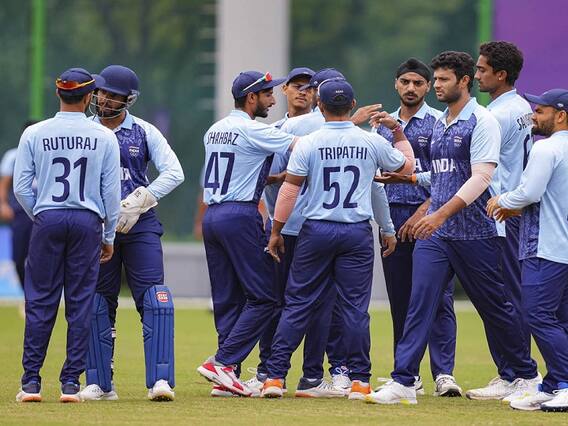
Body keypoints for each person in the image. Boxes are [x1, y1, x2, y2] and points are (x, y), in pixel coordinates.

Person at [366, 51, 538, 406]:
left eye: (443, 79)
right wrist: (412, 178)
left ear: (464, 81)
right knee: (420, 302)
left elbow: (481, 177)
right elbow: (445, 174)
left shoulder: (482, 121)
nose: (437, 86)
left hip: (475, 232)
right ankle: (404, 380)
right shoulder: (442, 121)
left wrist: (439, 214)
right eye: (437, 79)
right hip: (439, 236)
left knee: (495, 307)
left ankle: (525, 374)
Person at [261, 78, 415, 399]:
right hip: (356, 232)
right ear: (353, 104)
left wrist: (276, 231)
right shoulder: (370, 140)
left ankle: (274, 377)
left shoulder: (308, 142)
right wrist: (399, 133)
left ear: (320, 105)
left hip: (316, 229)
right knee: (355, 308)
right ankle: (359, 380)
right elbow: (406, 166)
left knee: (298, 303)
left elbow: (289, 190)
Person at [13, 67, 121, 402]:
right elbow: (111, 194)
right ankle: (71, 383)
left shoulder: (35, 133)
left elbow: (20, 188)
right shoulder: (104, 136)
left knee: (40, 301)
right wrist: (109, 235)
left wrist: (41, 215)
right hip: (88, 221)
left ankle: (31, 382)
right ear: (89, 97)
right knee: (80, 302)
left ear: (58, 93)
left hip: (48, 217)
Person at [79, 65, 184, 402]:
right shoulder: (85, 131)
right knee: (97, 303)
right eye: (102, 92)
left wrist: (141, 199)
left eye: (113, 95)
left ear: (128, 100)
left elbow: (175, 172)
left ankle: (160, 380)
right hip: (98, 226)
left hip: (140, 225)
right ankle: (99, 383)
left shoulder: (144, 131)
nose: (104, 99)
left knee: (156, 299)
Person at [196, 70, 298, 396]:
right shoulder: (254, 129)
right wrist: (349, 125)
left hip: (213, 215)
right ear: (251, 98)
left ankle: (226, 378)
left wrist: (274, 177)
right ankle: (223, 363)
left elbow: (240, 167)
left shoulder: (215, 129)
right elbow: (305, 145)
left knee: (228, 298)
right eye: (268, 94)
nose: (273, 100)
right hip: (240, 215)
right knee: (265, 296)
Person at [373, 58, 460, 397]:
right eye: (405, 82)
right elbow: (375, 176)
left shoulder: (440, 123)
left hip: (432, 217)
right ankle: (406, 375)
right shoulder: (382, 126)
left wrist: (425, 211)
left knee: (439, 298)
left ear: (427, 87)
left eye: (418, 83)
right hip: (393, 218)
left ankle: (444, 374)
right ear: (396, 84)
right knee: (400, 298)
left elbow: (447, 176)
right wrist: (385, 223)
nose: (411, 88)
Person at [486, 89, 568, 412]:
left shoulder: (546, 148)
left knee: (536, 315)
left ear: (560, 115)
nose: (534, 116)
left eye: (541, 111)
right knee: (560, 318)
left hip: (544, 246)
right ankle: (553, 384)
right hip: (562, 248)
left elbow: (529, 192)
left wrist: (501, 201)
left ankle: (565, 382)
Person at [468, 40, 539, 401]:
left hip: (499, 212)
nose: (476, 75)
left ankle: (516, 374)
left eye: (482, 70)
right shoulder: (522, 107)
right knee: (507, 294)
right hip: (513, 210)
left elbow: (479, 167)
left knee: (503, 296)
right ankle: (513, 371)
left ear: (501, 74)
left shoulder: (494, 116)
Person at [0, 121, 37, 288]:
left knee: (42, 255)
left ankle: (40, 294)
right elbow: (4, 183)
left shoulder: (48, 152)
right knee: (18, 256)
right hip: (20, 212)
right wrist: (3, 204)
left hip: (44, 211)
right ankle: (27, 293)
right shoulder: (13, 156)